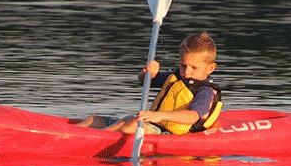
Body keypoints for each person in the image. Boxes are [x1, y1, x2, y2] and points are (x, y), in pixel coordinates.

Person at [74, 32, 223, 135]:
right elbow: (144, 80)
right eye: (183, 65)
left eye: (194, 67)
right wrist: (148, 72)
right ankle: (69, 134)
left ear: (211, 68)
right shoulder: (176, 78)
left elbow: (192, 116)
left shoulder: (204, 91)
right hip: (152, 123)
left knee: (131, 122)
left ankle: (88, 140)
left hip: (168, 133)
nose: (187, 71)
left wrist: (159, 115)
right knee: (95, 119)